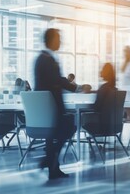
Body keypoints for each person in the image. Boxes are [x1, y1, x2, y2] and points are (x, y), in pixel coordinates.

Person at [34, 28, 77, 180]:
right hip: (52, 107)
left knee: (54, 134)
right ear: (51, 40)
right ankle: (48, 159)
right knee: (70, 125)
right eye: (58, 38)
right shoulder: (47, 59)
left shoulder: (42, 58)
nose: (60, 42)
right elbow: (57, 80)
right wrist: (75, 87)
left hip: (46, 108)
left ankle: (53, 167)